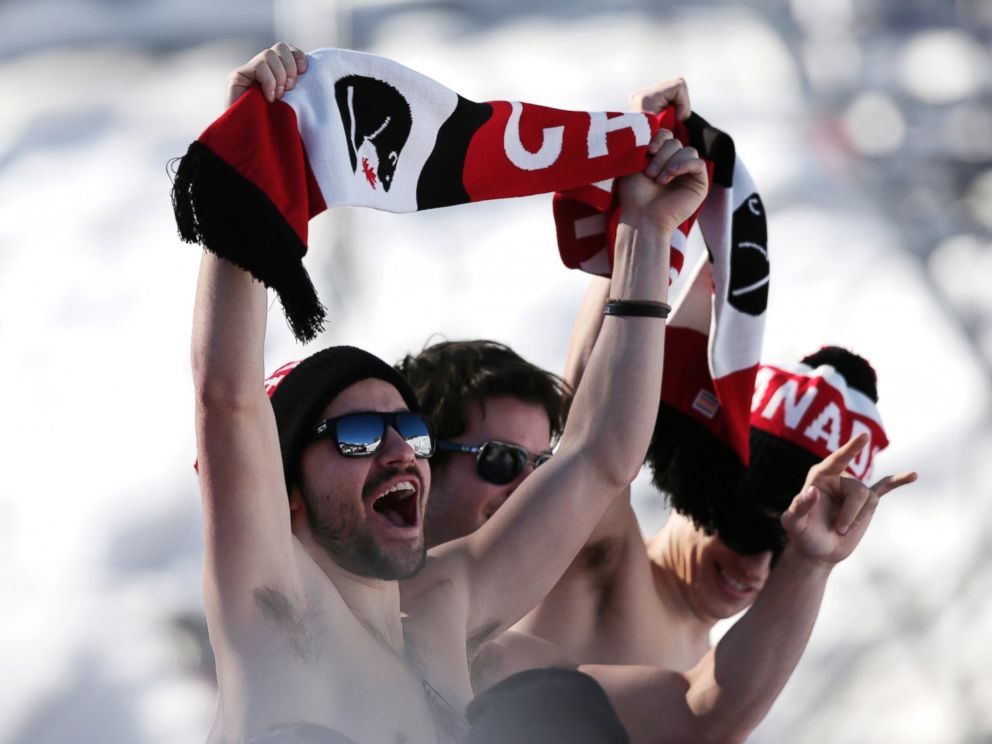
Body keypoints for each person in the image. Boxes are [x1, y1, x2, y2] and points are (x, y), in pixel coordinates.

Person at [191, 43, 704, 743]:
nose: (400, 451)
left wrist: (647, 234)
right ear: (286, 493)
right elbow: (227, 401)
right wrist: (248, 171)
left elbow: (598, 458)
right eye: (359, 437)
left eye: (411, 430)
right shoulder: (280, 618)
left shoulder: (444, 614)